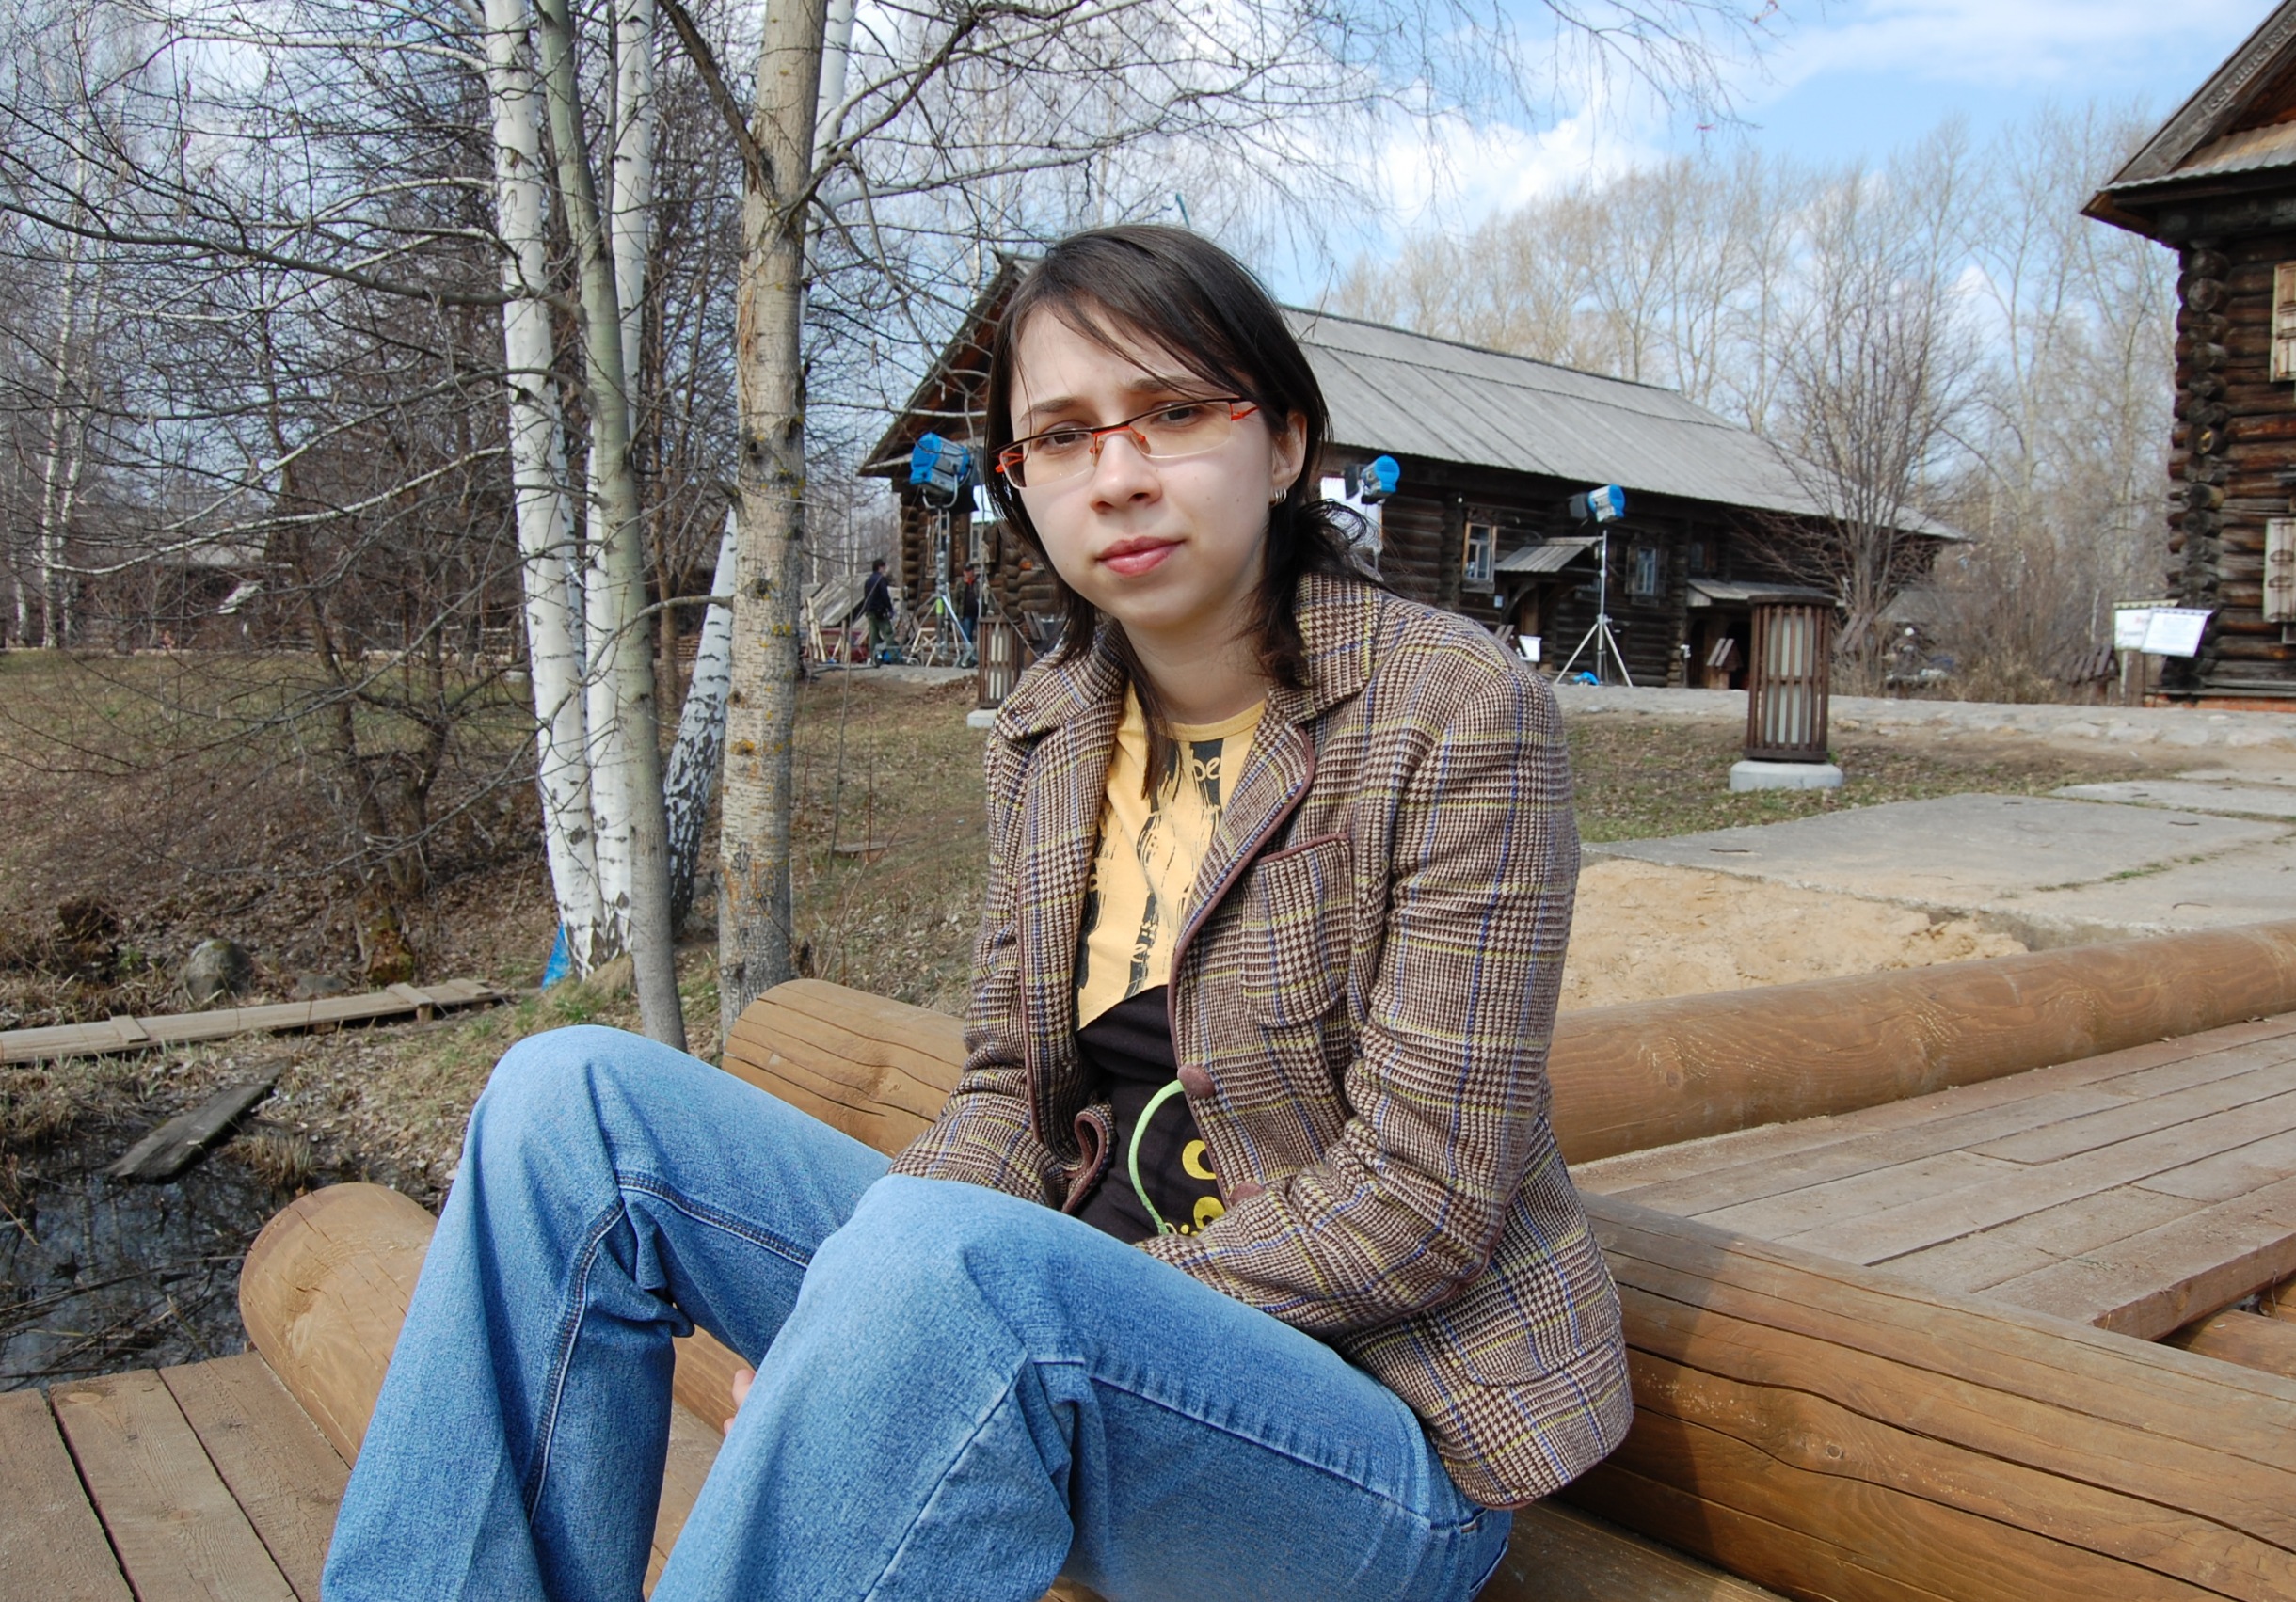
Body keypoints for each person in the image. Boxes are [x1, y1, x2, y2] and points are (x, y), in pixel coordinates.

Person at [320, 224, 1629, 1602]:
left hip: (1370, 1436)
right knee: (566, 1103)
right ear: (1020, 479)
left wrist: (930, 1302)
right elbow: (1012, 1097)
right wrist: (876, 1299)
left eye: (1175, 412)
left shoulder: (1450, 710)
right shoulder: (1049, 732)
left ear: (1286, 442)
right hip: (1056, 1337)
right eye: (1060, 436)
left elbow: (1422, 1198)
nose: (1117, 475)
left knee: (945, 1272)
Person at [862, 556, 895, 659]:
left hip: (870, 612)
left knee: (873, 635)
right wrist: (890, 609)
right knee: (888, 633)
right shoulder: (881, 580)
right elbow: (885, 595)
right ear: (880, 567)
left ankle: (872, 657)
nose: (884, 569)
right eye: (883, 567)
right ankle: (894, 657)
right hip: (880, 612)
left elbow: (866, 597)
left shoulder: (868, 580)